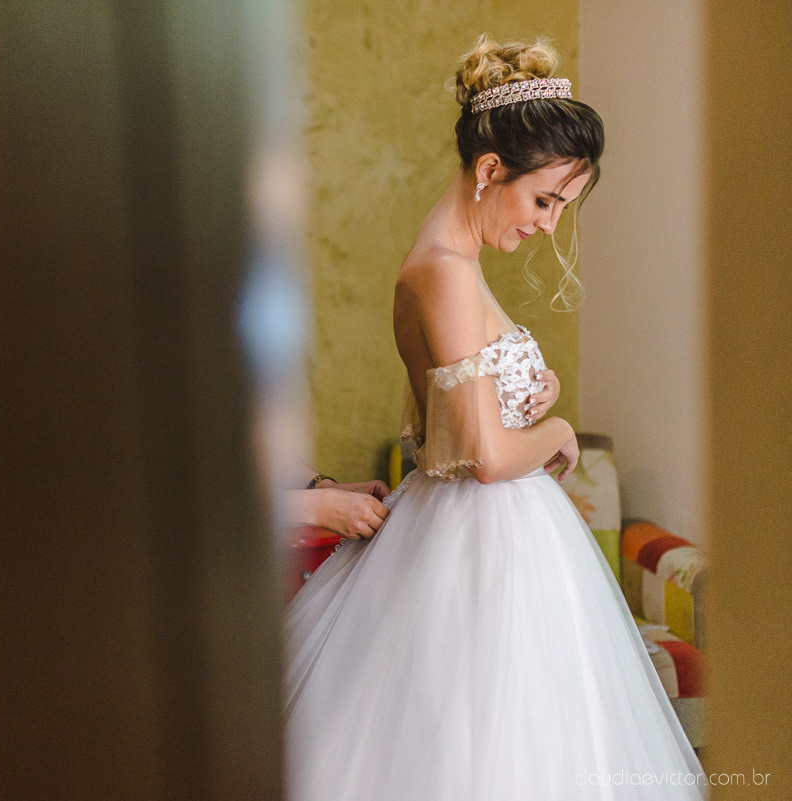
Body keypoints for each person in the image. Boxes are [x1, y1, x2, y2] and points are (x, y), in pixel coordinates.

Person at [283, 34, 709, 800]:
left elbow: (436, 423)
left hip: (479, 534)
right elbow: (479, 455)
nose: (548, 225)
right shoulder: (445, 272)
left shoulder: (448, 260)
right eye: (544, 200)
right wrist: (558, 433)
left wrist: (528, 390)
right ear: (489, 171)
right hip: (482, 545)